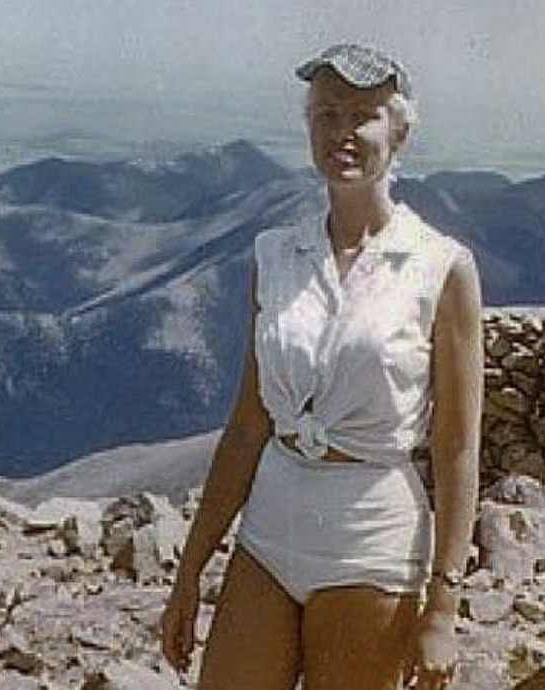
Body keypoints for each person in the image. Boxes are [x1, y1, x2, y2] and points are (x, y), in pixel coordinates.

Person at [160, 42, 483, 690]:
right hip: (270, 532)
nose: (342, 133)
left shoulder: (441, 268)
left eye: (363, 116)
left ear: (399, 133)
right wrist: (189, 571)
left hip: (371, 543)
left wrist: (443, 606)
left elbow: (456, 447)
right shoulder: (277, 256)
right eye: (327, 115)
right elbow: (249, 424)